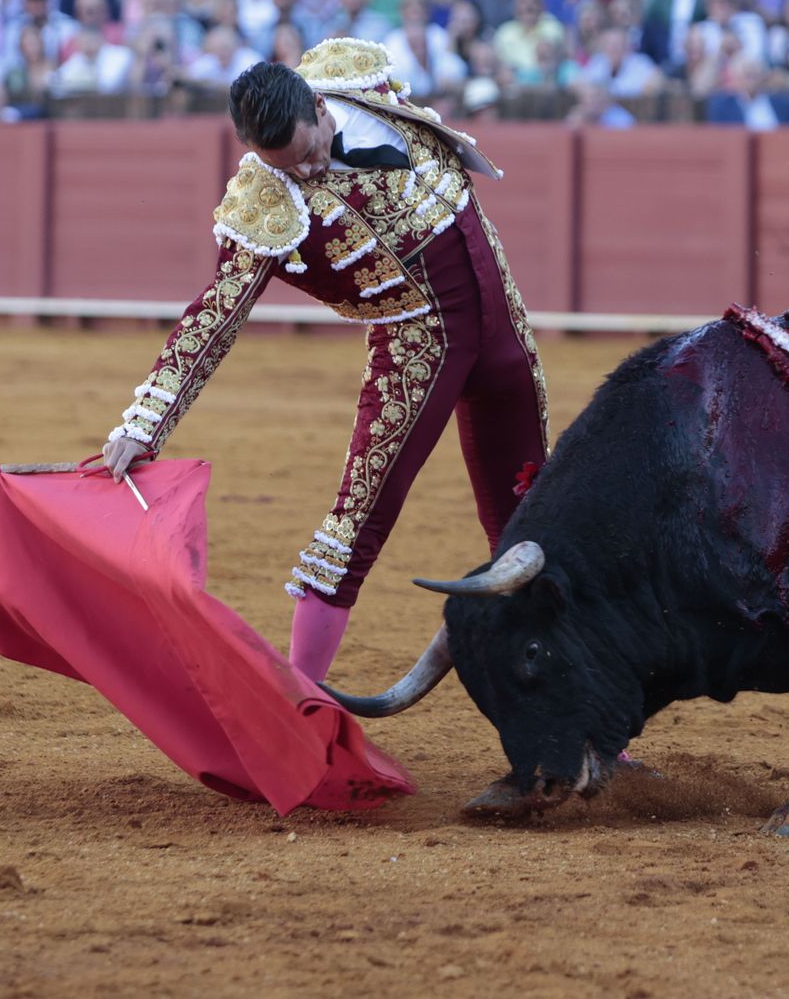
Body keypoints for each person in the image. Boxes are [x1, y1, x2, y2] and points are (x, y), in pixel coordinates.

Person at [97, 38, 549, 681]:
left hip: (505, 335)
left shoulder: (356, 76)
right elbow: (215, 314)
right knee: (350, 534)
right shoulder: (266, 200)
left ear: (317, 103)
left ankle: (578, 716)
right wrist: (145, 423)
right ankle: (300, 711)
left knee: (534, 523)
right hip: (415, 358)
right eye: (286, 165)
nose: (306, 173)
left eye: (309, 152)